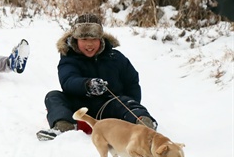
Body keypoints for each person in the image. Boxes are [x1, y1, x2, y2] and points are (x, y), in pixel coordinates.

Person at [37, 13, 156, 141]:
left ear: (101, 39)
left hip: (109, 107)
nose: (89, 44)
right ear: (76, 40)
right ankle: (64, 126)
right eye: (84, 40)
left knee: (128, 103)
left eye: (94, 39)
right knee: (53, 96)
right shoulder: (69, 58)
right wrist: (87, 85)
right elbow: (68, 80)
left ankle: (145, 130)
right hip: (79, 108)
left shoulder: (115, 58)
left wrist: (130, 105)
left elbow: (131, 82)